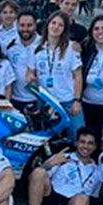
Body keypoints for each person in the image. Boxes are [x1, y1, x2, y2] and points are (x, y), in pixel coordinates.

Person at [27, 11, 84, 140]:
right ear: (47, 25)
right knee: (45, 139)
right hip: (46, 102)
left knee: (78, 137)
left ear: (64, 29)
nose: (56, 27)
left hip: (68, 101)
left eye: (60, 25)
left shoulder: (71, 48)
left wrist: (77, 100)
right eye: (53, 23)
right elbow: (30, 71)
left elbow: (78, 76)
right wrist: (30, 78)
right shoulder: (36, 47)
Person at [5, 11, 42, 113]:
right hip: (14, 99)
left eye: (29, 25)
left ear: (35, 25)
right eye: (22, 25)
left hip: (39, 99)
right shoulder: (9, 45)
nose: (25, 29)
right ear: (17, 25)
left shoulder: (44, 45)